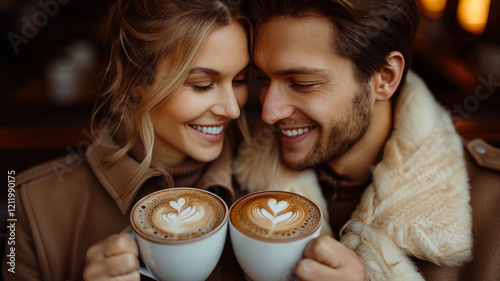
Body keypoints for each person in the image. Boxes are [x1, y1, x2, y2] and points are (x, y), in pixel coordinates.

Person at [234, 0, 500, 280]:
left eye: (302, 83)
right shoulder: (234, 181)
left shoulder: (492, 207)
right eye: (262, 79)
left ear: (385, 77)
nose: (269, 112)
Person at [3, 0, 251, 280]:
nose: (233, 109)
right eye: (202, 85)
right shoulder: (32, 202)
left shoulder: (270, 190)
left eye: (240, 80)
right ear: (136, 81)